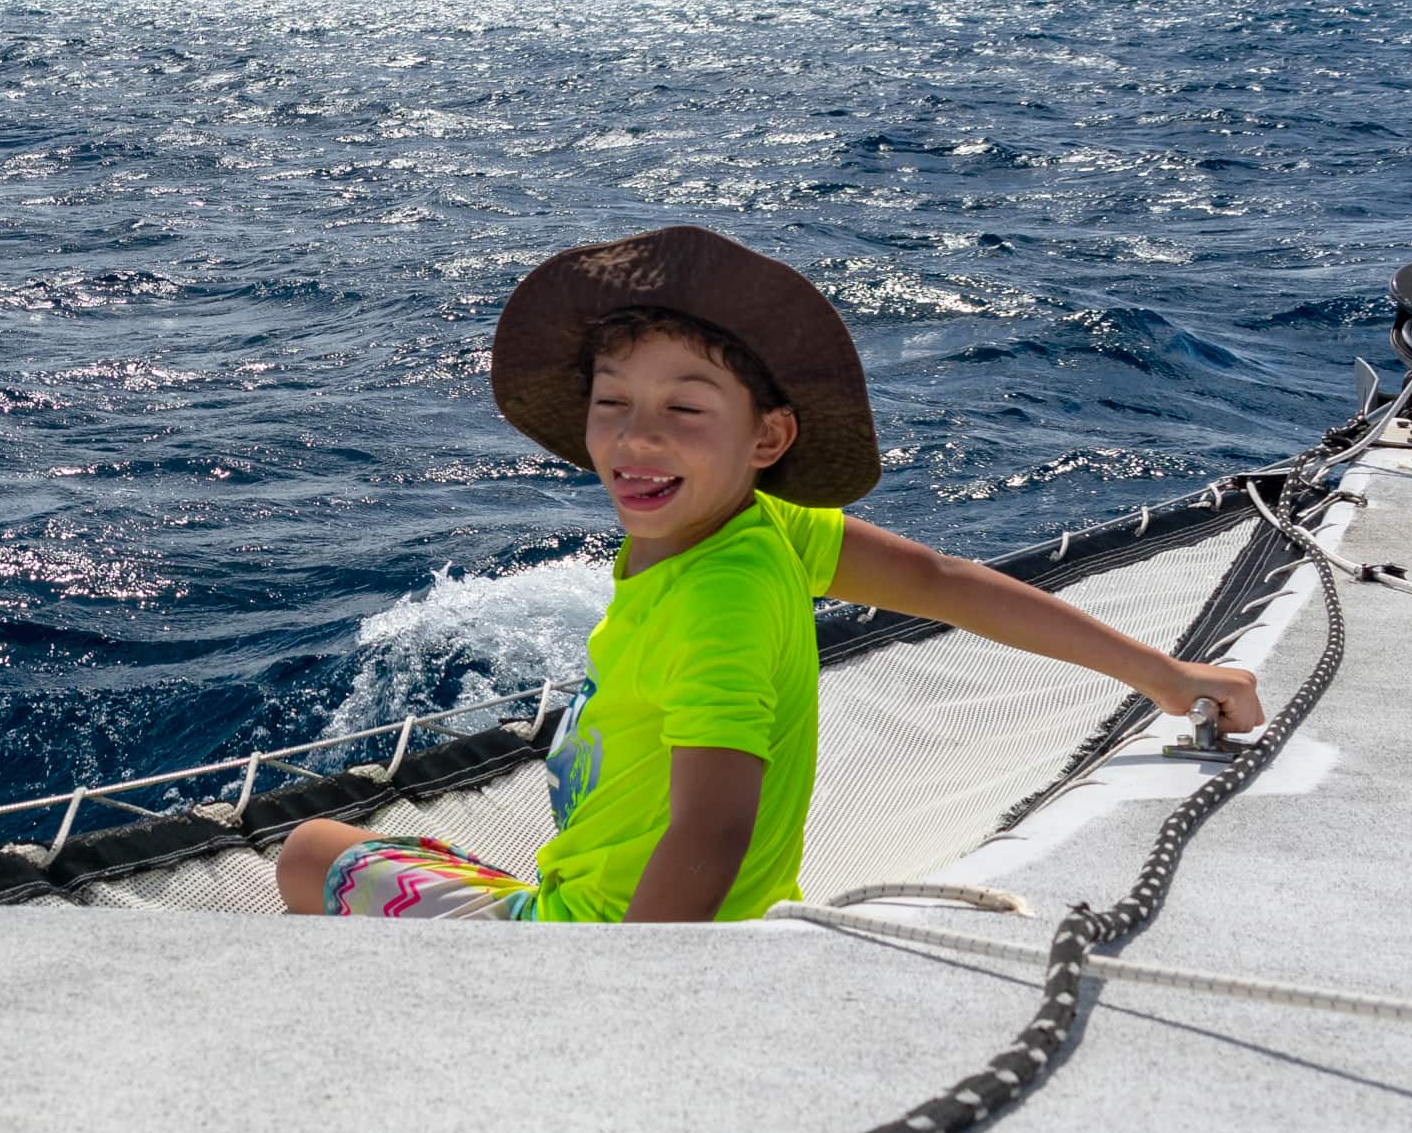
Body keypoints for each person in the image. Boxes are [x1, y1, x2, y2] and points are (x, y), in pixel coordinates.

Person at [276, 224, 1264, 924]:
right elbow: (944, 579)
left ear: (770, 435)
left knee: (309, 849)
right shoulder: (766, 527)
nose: (636, 435)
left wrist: (607, 1002)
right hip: (665, 913)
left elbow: (710, 831)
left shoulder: (719, 598)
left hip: (605, 948)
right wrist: (1163, 674)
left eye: (685, 408)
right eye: (612, 400)